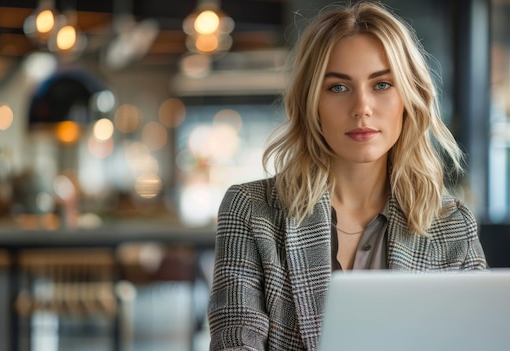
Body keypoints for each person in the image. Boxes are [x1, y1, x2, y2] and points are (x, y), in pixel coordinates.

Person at [207, 1, 488, 350]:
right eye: (338, 87)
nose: (362, 108)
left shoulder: (451, 225)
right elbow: (236, 343)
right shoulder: (251, 210)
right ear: (312, 103)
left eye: (382, 85)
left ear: (408, 97)